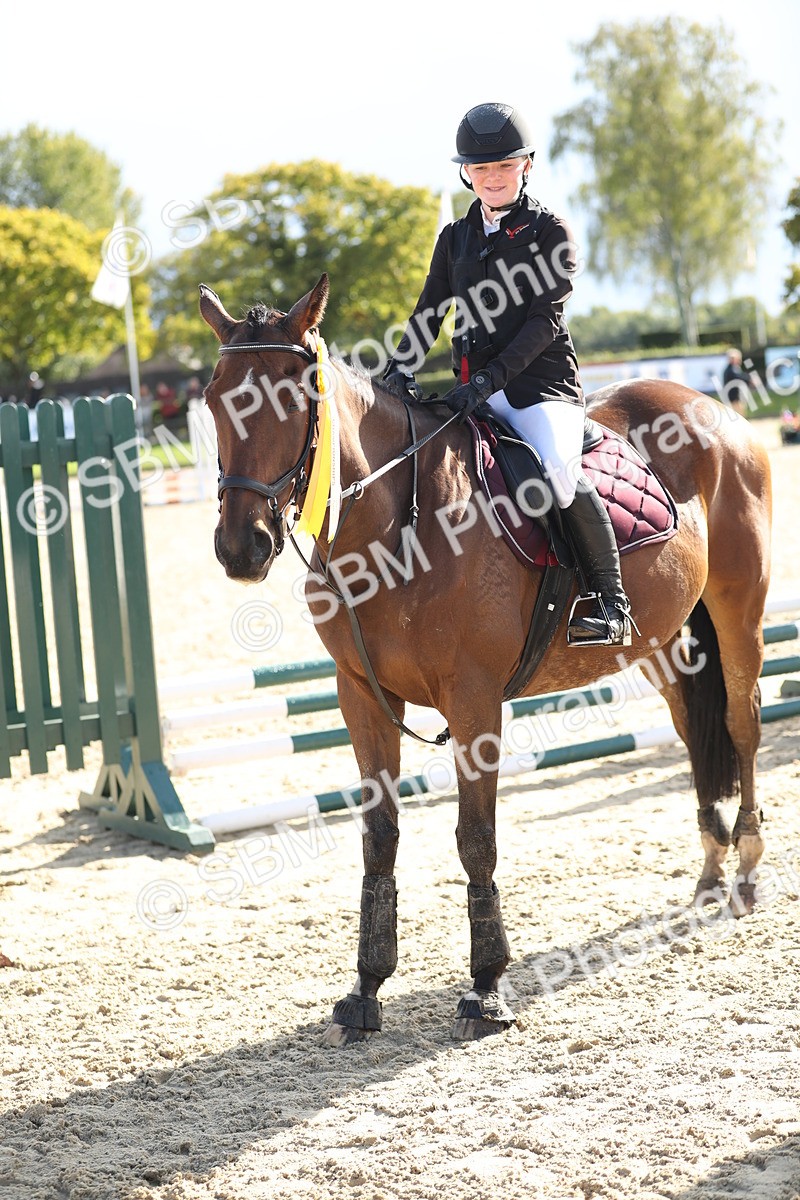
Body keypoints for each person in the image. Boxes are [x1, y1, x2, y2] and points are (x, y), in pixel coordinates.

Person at [383, 101, 633, 646]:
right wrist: (398, 368)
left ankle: (611, 603)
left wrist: (490, 379)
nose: (493, 178)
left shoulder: (551, 232)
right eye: (482, 169)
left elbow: (544, 323)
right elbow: (430, 311)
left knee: (561, 476)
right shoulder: (455, 238)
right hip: (474, 392)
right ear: (466, 174)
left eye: (504, 166)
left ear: (526, 166)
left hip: (540, 391)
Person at [721, 349, 752, 416]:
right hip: (733, 400)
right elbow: (738, 377)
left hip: (734, 398)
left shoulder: (733, 368)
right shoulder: (731, 369)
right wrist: (750, 379)